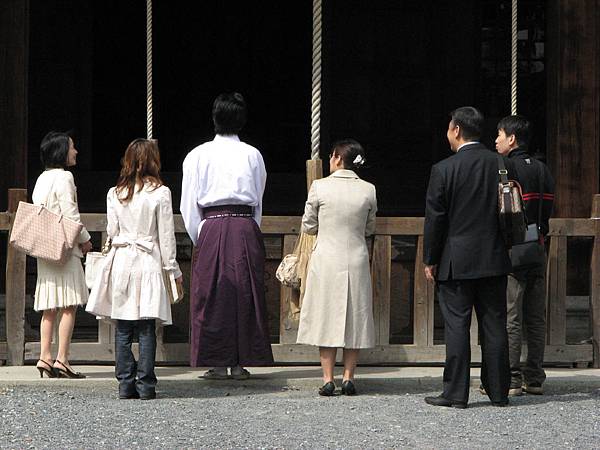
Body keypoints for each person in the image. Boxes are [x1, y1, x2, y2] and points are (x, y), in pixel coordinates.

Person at [423, 107, 512, 408]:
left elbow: (436, 220)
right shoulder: (500, 164)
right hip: (494, 255)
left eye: (449, 127)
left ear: (457, 130)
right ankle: (499, 392)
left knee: (457, 326)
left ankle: (455, 393)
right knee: (494, 324)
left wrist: (430, 258)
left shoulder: (444, 169)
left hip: (456, 258)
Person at [181, 92, 274, 379]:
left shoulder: (198, 155)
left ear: (214, 118)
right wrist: (251, 228)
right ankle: (239, 363)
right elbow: (258, 197)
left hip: (211, 224)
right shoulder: (252, 154)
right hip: (245, 224)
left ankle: (218, 363)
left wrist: (201, 234)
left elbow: (188, 203)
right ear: (242, 120)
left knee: (211, 295)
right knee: (245, 293)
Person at [86, 138, 183, 400]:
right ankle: (146, 385)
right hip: (148, 261)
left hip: (121, 260)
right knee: (146, 326)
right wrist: (173, 270)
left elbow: (112, 232)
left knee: (123, 327)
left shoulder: (114, 193)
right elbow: (166, 237)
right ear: (153, 160)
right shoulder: (161, 193)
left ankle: (125, 384)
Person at [296, 139, 377, 396]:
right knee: (355, 316)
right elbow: (369, 228)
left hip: (327, 258)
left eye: (332, 156)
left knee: (326, 315)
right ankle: (349, 376)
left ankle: (328, 378)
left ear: (338, 158)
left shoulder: (319, 186)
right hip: (355, 257)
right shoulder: (368, 189)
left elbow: (308, 224)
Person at [495, 115, 555, 395]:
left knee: (512, 315)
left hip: (514, 248)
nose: (496, 140)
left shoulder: (506, 168)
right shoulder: (543, 169)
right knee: (535, 315)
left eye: (500, 135)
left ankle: (512, 377)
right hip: (538, 244)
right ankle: (535, 377)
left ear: (512, 139)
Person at [32, 131, 93, 379]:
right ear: (61, 152)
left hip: (45, 248)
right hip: (65, 249)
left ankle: (44, 356)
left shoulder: (41, 178)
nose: (75, 151)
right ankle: (62, 359)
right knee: (69, 305)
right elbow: (71, 215)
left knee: (49, 306)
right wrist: (86, 239)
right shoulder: (65, 177)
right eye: (72, 147)